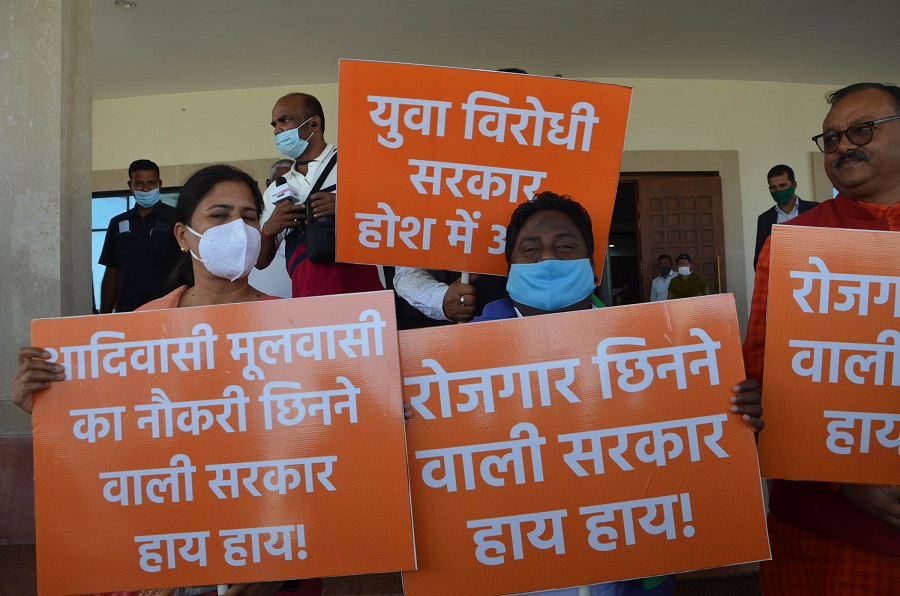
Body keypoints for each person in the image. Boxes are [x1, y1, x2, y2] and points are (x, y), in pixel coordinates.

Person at [14, 165, 322, 596]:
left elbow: (323, 438)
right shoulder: (138, 331)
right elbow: (114, 440)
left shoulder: (306, 332)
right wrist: (51, 410)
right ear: (182, 235)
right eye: (219, 215)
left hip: (274, 548)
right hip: (168, 550)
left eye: (250, 217)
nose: (239, 229)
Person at [475, 192, 763, 596]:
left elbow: (691, 441)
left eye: (564, 246)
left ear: (592, 263)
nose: (548, 260)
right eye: (531, 248)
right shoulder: (455, 365)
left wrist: (732, 412)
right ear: (510, 264)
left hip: (632, 560)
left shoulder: (653, 349)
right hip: (517, 563)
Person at [745, 82, 900, 594]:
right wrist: (846, 479)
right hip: (826, 527)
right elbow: (767, 376)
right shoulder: (794, 244)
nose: (842, 147)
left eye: (861, 130)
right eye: (830, 139)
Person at [257, 92, 382, 298]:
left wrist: (348, 208)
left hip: (364, 299)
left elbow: (397, 224)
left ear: (314, 124)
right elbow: (260, 262)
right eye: (274, 125)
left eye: (284, 121)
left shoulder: (357, 167)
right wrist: (270, 230)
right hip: (308, 302)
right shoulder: (274, 190)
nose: (277, 131)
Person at [99, 159, 183, 313]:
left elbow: (188, 266)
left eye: (151, 183)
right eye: (139, 184)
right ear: (130, 186)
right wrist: (104, 316)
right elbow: (111, 272)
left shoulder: (176, 219)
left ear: (160, 184)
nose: (145, 189)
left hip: (167, 310)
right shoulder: (117, 223)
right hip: (127, 311)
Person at [752, 164, 818, 269]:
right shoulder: (764, 219)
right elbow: (759, 259)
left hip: (811, 273)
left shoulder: (815, 210)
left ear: (794, 185)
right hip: (780, 276)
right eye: (773, 187)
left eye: (783, 186)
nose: (778, 190)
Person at [248, 158, 294, 298]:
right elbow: (260, 262)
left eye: (292, 183)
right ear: (269, 184)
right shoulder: (253, 219)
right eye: (281, 182)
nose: (285, 190)